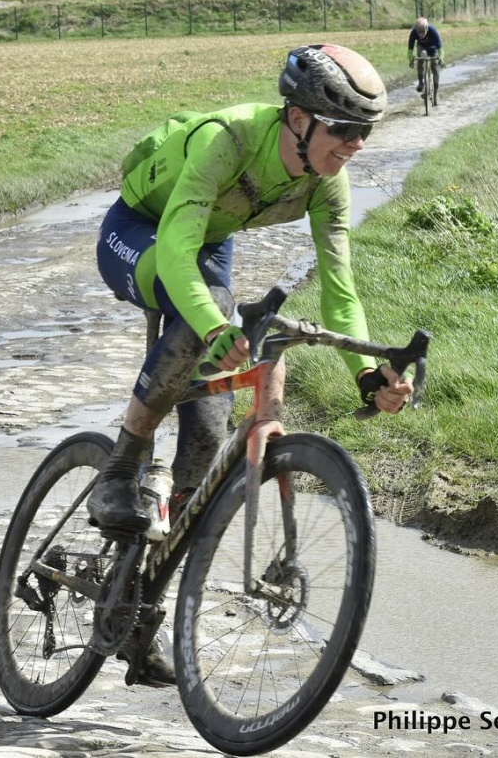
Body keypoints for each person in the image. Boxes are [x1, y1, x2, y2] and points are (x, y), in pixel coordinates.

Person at [87, 44, 415, 684]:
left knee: (209, 433)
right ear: (299, 118)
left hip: (208, 242)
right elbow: (178, 252)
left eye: (365, 132)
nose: (355, 145)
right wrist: (214, 326)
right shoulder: (226, 140)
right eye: (343, 129)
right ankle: (120, 464)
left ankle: (141, 604)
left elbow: (339, 289)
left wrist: (368, 374)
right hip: (141, 232)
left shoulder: (329, 183)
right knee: (211, 312)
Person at [406, 16, 444, 93]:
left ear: (426, 27)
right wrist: (410, 59)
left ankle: (436, 91)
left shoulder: (433, 31)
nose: (421, 34)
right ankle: (421, 82)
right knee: (421, 58)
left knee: (435, 66)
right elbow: (410, 48)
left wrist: (441, 58)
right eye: (419, 31)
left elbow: (440, 48)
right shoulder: (414, 32)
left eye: (423, 31)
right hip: (422, 47)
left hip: (433, 48)